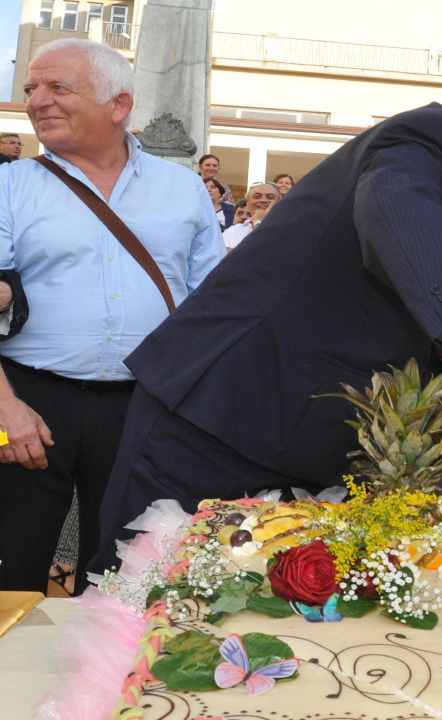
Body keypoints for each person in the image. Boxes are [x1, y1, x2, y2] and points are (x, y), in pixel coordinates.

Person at [90, 45, 442, 576]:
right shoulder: (426, 139)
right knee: (134, 602)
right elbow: (401, 211)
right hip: (215, 421)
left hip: (288, 432)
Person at [0, 39, 222, 593]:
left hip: (142, 404)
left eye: (58, 88)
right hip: (26, 403)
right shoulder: (8, 188)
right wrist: (4, 410)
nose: (36, 101)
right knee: (11, 566)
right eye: (31, 89)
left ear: (118, 105)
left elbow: (209, 306)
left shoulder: (183, 189)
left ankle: (101, 680)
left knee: (122, 576)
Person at [222, 182, 280, 250]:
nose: (263, 200)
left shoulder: (288, 228)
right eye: (257, 197)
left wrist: (258, 222)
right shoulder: (234, 230)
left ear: (279, 202)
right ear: (248, 203)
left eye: (270, 197)